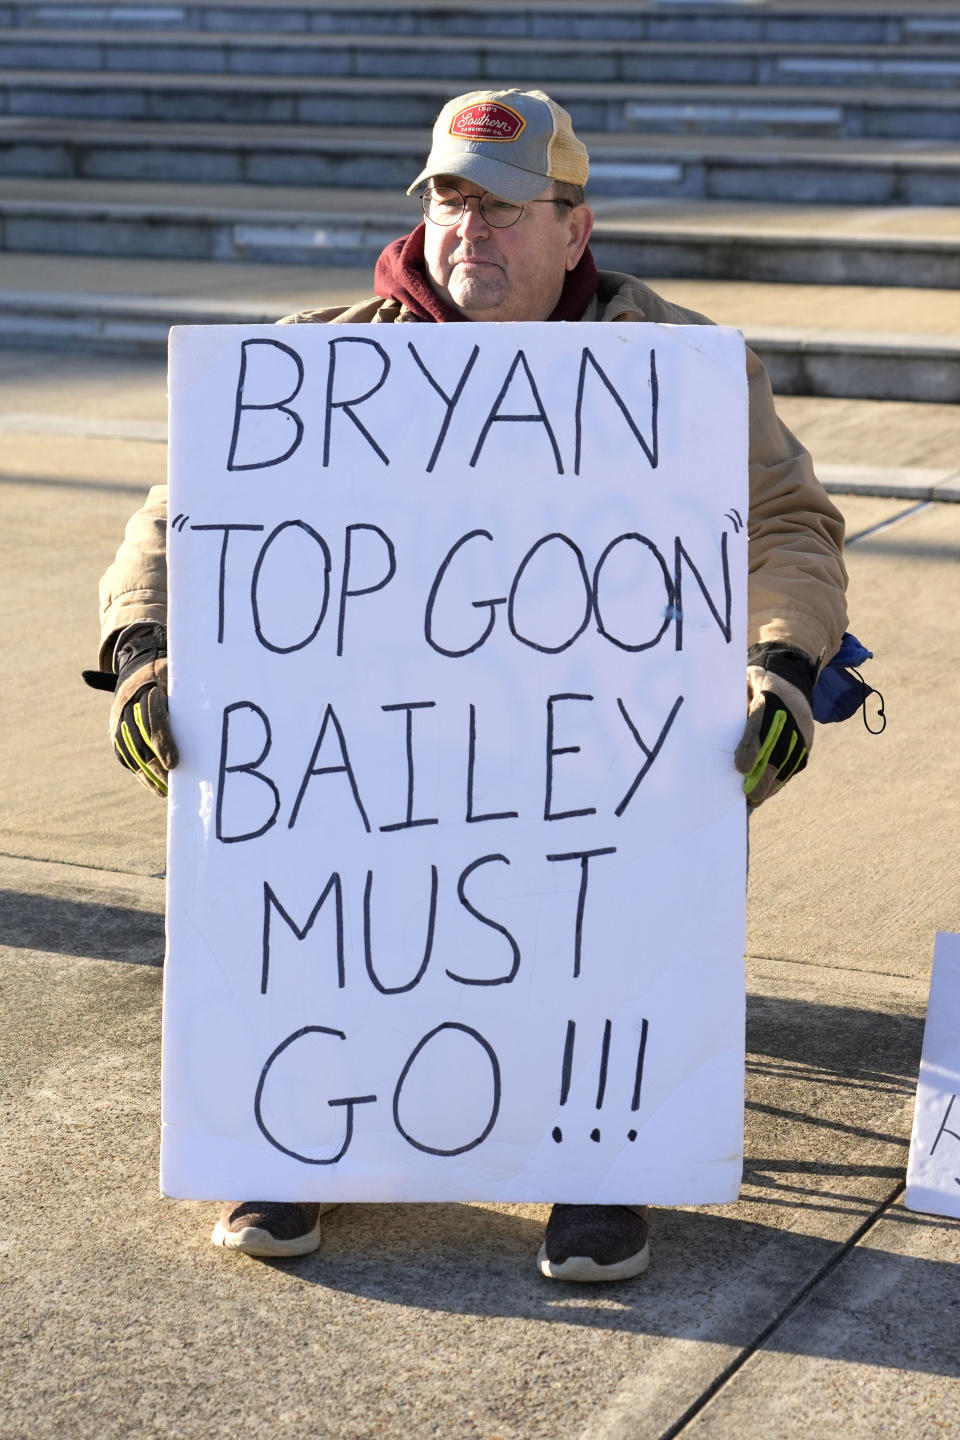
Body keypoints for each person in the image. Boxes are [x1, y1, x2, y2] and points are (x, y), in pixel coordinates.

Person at [88, 88, 847, 1281]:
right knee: (320, 874)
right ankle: (297, 1127)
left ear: (574, 229)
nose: (469, 230)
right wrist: (144, 651)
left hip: (592, 740)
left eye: (502, 206)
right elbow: (175, 522)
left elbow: (789, 528)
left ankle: (602, 1161)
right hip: (379, 738)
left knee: (621, 869)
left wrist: (783, 663)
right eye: (449, 199)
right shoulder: (320, 356)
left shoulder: (680, 368)